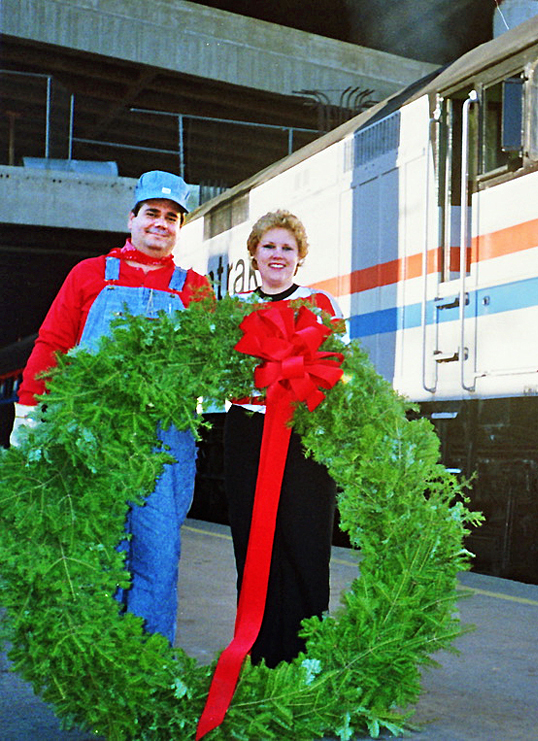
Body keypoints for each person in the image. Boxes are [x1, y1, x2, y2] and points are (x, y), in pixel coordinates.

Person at [12, 170, 211, 644]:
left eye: (171, 217)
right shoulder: (88, 274)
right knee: (95, 547)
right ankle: (96, 663)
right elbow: (54, 344)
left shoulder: (195, 289)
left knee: (157, 556)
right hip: (90, 437)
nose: (160, 224)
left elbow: (208, 360)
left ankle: (145, 669)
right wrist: (27, 412)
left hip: (162, 444)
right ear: (132, 218)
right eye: (152, 214)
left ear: (179, 227)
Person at [224, 209, 343, 667]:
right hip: (249, 432)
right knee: (254, 542)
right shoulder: (233, 310)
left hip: (303, 432)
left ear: (299, 259)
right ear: (254, 254)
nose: (278, 254)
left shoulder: (318, 305)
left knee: (305, 541)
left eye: (287, 248)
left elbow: (333, 366)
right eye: (269, 246)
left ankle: (305, 656)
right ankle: (259, 654)